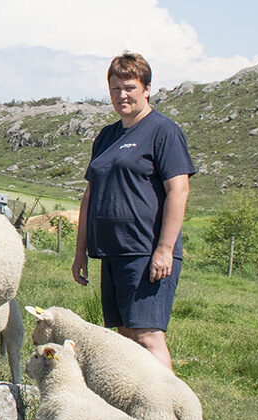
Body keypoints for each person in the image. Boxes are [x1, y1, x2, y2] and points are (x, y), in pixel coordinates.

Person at [71, 52, 195, 369]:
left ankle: (169, 412)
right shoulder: (107, 136)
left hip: (145, 251)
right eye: (115, 88)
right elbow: (90, 195)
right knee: (125, 336)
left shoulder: (163, 131)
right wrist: (80, 251)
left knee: (148, 336)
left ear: (147, 88)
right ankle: (136, 412)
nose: (122, 95)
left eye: (129, 87)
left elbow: (178, 189)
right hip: (112, 252)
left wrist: (165, 249)